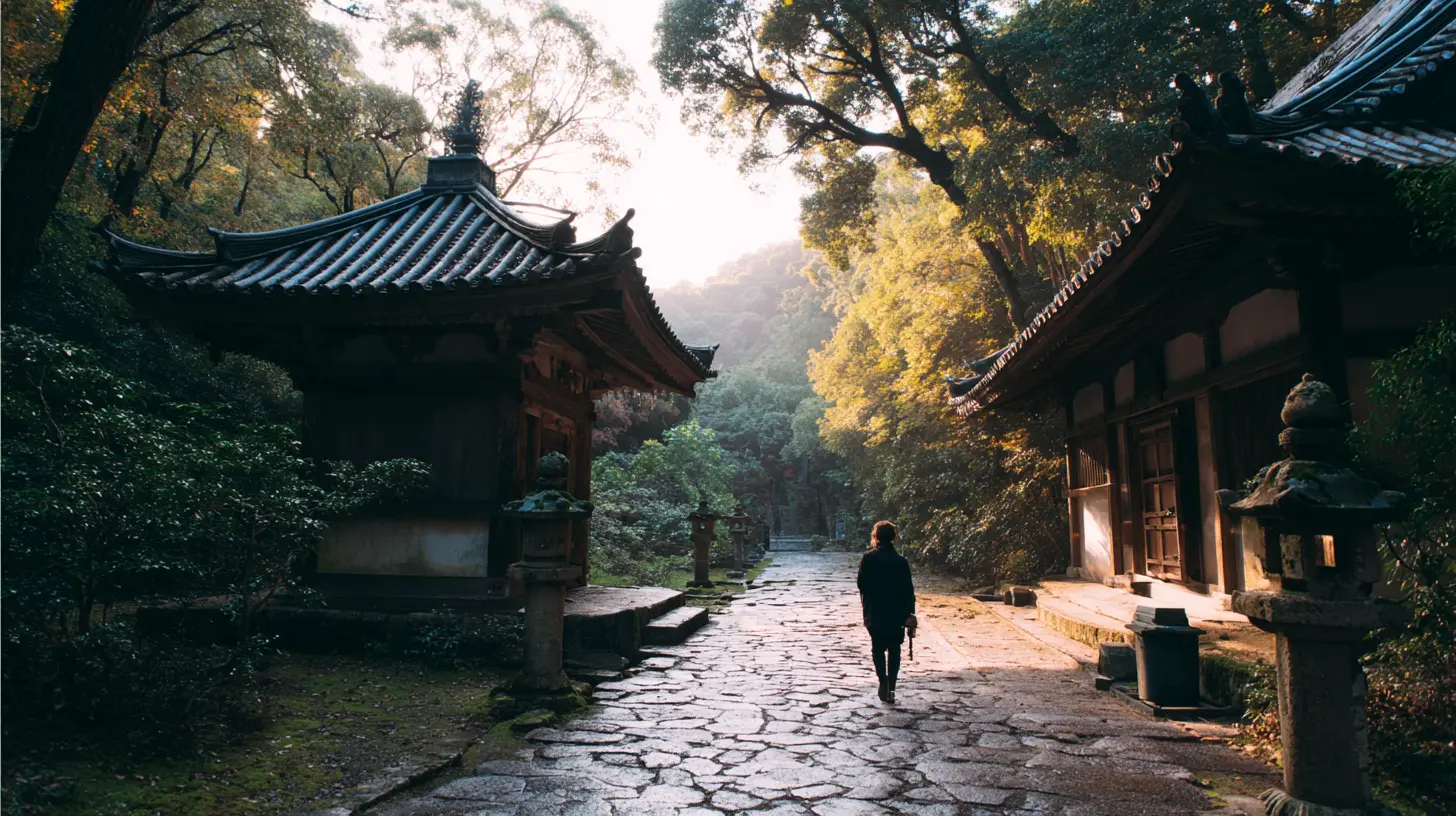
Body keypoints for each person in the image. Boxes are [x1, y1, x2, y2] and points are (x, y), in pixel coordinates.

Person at [856, 521, 916, 703]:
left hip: (874, 612)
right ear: (894, 537)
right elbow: (908, 590)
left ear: (875, 537)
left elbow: (861, 584)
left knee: (878, 649)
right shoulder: (901, 561)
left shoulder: (868, 559)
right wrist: (910, 614)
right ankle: (892, 687)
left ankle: (883, 680)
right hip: (897, 612)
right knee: (894, 650)